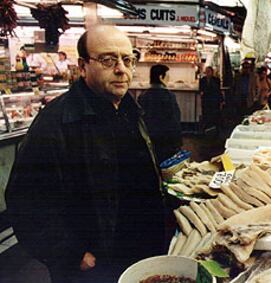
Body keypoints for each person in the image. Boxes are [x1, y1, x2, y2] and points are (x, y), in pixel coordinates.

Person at [6, 25, 165, 283]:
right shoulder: (57, 122)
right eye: (107, 59)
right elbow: (25, 201)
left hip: (138, 252)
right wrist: (71, 253)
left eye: (127, 60)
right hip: (94, 266)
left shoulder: (129, 110)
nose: (121, 69)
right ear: (82, 67)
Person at [138, 64, 182, 163]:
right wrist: (177, 143)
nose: (169, 79)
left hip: (148, 141)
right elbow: (175, 120)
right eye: (167, 76)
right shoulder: (169, 96)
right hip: (166, 142)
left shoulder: (143, 96)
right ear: (161, 77)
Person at [199, 66, 222, 134]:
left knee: (214, 114)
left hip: (214, 100)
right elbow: (200, 89)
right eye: (206, 71)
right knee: (206, 114)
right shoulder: (203, 80)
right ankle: (206, 128)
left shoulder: (216, 80)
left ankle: (214, 128)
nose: (207, 73)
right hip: (206, 100)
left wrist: (220, 100)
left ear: (212, 72)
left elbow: (218, 90)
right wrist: (201, 93)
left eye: (209, 71)